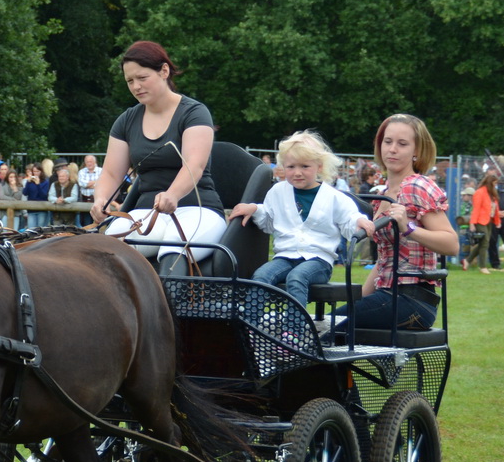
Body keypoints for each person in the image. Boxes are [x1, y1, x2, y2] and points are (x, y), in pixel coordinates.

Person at [89, 41, 226, 267]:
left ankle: (172, 303)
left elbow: (194, 165)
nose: (136, 87)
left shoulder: (194, 112)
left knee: (174, 248)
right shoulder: (126, 120)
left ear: (164, 71)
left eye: (142, 78)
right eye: (130, 81)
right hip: (146, 213)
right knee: (103, 252)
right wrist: (101, 199)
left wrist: (172, 194)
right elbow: (112, 173)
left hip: (197, 209)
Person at [340, 114, 457, 332]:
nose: (392, 149)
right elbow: (385, 260)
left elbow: (451, 244)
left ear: (417, 151)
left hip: (412, 300)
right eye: (388, 141)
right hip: (386, 295)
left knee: (323, 329)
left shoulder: (417, 187)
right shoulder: (382, 196)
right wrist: (354, 301)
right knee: (327, 325)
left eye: (402, 144)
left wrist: (409, 228)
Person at [229, 130, 371, 305]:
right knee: (260, 276)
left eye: (304, 166)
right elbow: (268, 221)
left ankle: (295, 329)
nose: (297, 172)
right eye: (291, 167)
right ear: (283, 167)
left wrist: (359, 221)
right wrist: (254, 209)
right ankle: (250, 326)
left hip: (318, 261)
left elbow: (349, 218)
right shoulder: (277, 192)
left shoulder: (334, 197)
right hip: (285, 256)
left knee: (297, 278)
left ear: (319, 166)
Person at [471, 171, 504, 270]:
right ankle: (495, 263)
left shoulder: (502, 191)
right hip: (491, 219)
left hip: (503, 219)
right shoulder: (483, 192)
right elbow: (481, 207)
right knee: (491, 242)